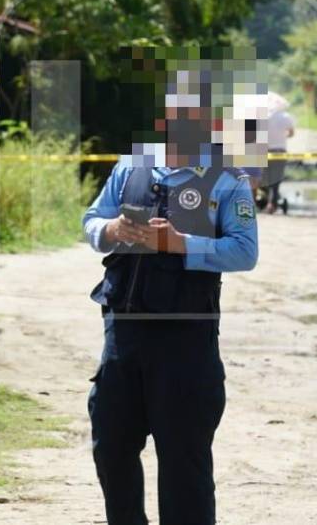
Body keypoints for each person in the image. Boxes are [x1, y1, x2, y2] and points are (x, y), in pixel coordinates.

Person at [82, 76, 258, 525]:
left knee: (184, 468)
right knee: (111, 445)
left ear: (212, 123)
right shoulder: (131, 167)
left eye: (194, 118)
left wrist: (183, 245)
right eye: (176, 116)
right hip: (123, 337)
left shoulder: (228, 182)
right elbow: (91, 221)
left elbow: (245, 251)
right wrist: (112, 231)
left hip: (186, 344)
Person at [264, 107, 295, 214]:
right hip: (281, 151)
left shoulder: (265, 117)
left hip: (267, 151)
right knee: (276, 179)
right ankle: (272, 203)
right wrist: (282, 135)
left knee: (267, 178)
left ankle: (270, 202)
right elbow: (291, 134)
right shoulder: (286, 117)